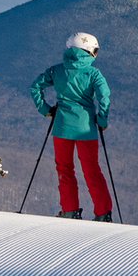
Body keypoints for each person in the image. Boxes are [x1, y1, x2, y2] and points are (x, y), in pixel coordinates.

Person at [28, 32, 114, 221]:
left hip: (61, 127)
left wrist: (45, 109)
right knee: (92, 170)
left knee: (65, 169)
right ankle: (103, 213)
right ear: (88, 51)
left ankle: (69, 211)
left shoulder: (57, 70)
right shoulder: (93, 73)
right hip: (87, 129)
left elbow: (35, 86)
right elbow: (104, 97)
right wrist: (102, 120)